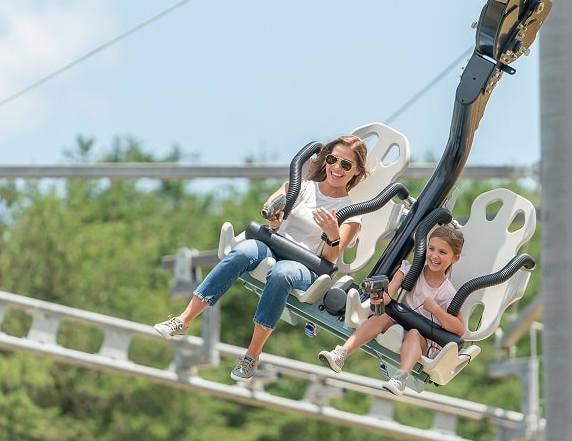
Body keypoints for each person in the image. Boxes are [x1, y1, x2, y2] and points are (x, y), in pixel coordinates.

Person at [153, 134, 368, 382]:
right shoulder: (303, 186)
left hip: (305, 265)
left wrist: (332, 234)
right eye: (333, 159)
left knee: (281, 274)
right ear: (326, 160)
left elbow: (331, 257)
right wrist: (273, 215)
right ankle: (183, 320)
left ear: (356, 172)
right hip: (274, 245)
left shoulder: (351, 214)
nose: (337, 168)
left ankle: (252, 354)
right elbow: (273, 202)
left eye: (346, 165)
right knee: (243, 251)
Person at [317, 224, 465, 395]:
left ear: (455, 259)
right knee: (380, 317)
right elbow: (387, 297)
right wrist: (377, 297)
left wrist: (437, 311)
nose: (434, 255)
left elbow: (459, 329)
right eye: (431, 248)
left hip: (421, 338)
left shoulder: (449, 293)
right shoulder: (409, 270)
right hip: (399, 323)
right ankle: (341, 354)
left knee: (414, 333)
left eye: (442, 252)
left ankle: (400, 378)